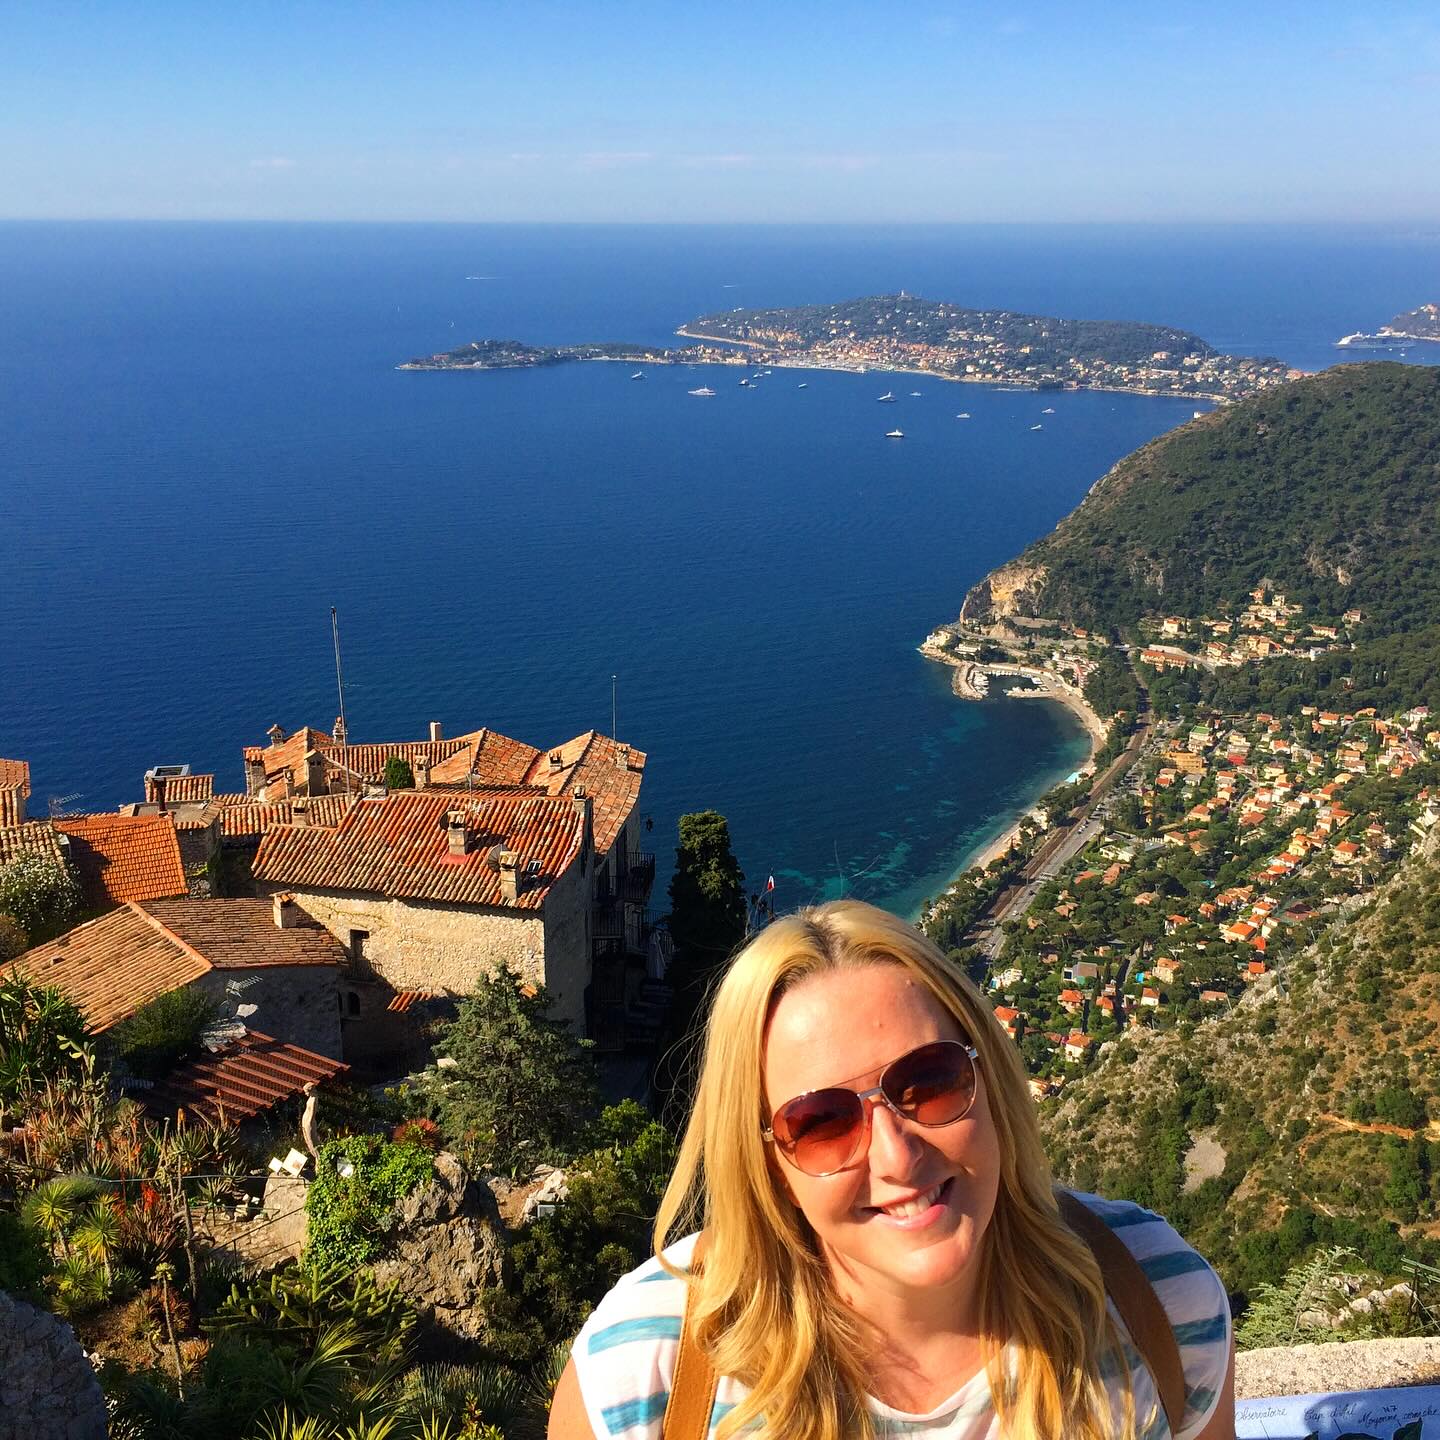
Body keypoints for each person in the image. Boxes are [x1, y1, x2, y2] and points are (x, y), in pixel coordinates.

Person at [550, 900, 1234, 1440]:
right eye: (822, 1122)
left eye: (928, 1081)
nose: (898, 1155)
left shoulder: (1160, 1306)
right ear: (767, 1160)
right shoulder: (645, 1379)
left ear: (987, 1078)